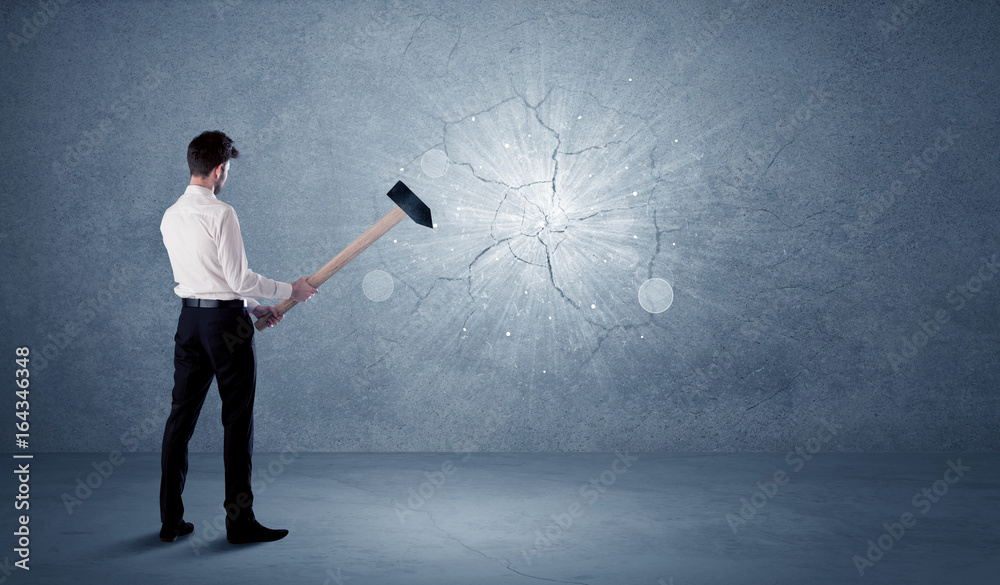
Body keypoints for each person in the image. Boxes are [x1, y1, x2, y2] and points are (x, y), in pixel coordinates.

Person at [157, 130, 318, 544]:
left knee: (180, 422)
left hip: (190, 323)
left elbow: (208, 279)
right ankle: (239, 523)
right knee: (237, 422)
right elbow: (236, 277)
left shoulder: (170, 215)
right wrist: (290, 291)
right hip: (226, 329)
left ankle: (170, 521)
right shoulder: (222, 213)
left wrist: (250, 306)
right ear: (219, 170)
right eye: (227, 169)